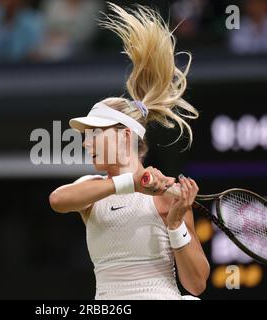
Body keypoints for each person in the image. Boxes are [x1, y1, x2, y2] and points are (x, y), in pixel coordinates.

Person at [49, 3, 209, 300]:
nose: (87, 143)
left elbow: (196, 284)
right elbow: (57, 200)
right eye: (86, 136)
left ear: (124, 136)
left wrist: (175, 224)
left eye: (95, 133)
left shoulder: (167, 193)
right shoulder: (91, 190)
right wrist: (130, 184)